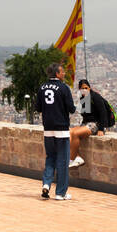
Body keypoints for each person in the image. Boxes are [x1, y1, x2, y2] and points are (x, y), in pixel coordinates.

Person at [35, 63, 76, 200]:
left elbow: (38, 108)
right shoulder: (64, 88)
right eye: (62, 72)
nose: (64, 74)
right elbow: (71, 108)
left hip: (48, 129)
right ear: (57, 74)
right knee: (62, 161)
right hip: (61, 129)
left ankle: (46, 184)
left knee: (50, 158)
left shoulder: (42, 87)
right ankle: (60, 193)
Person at [69, 77, 109, 166]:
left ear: (89, 88)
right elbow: (86, 115)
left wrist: (101, 129)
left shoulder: (95, 97)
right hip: (87, 123)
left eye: (86, 88)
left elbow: (103, 112)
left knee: (75, 134)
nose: (84, 90)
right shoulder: (83, 99)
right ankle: (77, 156)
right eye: (82, 88)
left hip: (96, 124)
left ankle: (71, 159)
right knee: (70, 132)